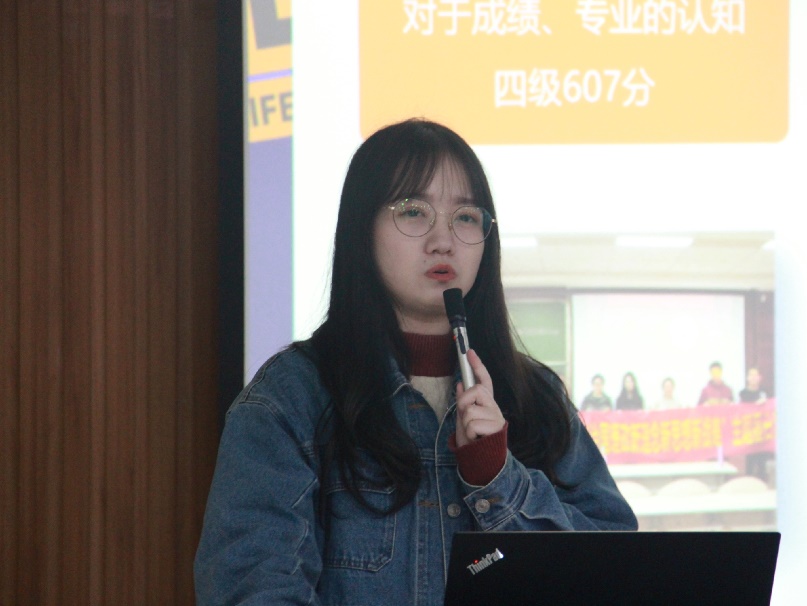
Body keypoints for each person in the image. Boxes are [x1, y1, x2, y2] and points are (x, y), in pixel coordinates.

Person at [194, 119, 637, 605]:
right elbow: (253, 589)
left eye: (465, 217)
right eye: (413, 211)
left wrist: (497, 480)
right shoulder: (289, 401)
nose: (443, 240)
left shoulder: (538, 398)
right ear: (362, 231)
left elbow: (615, 569)